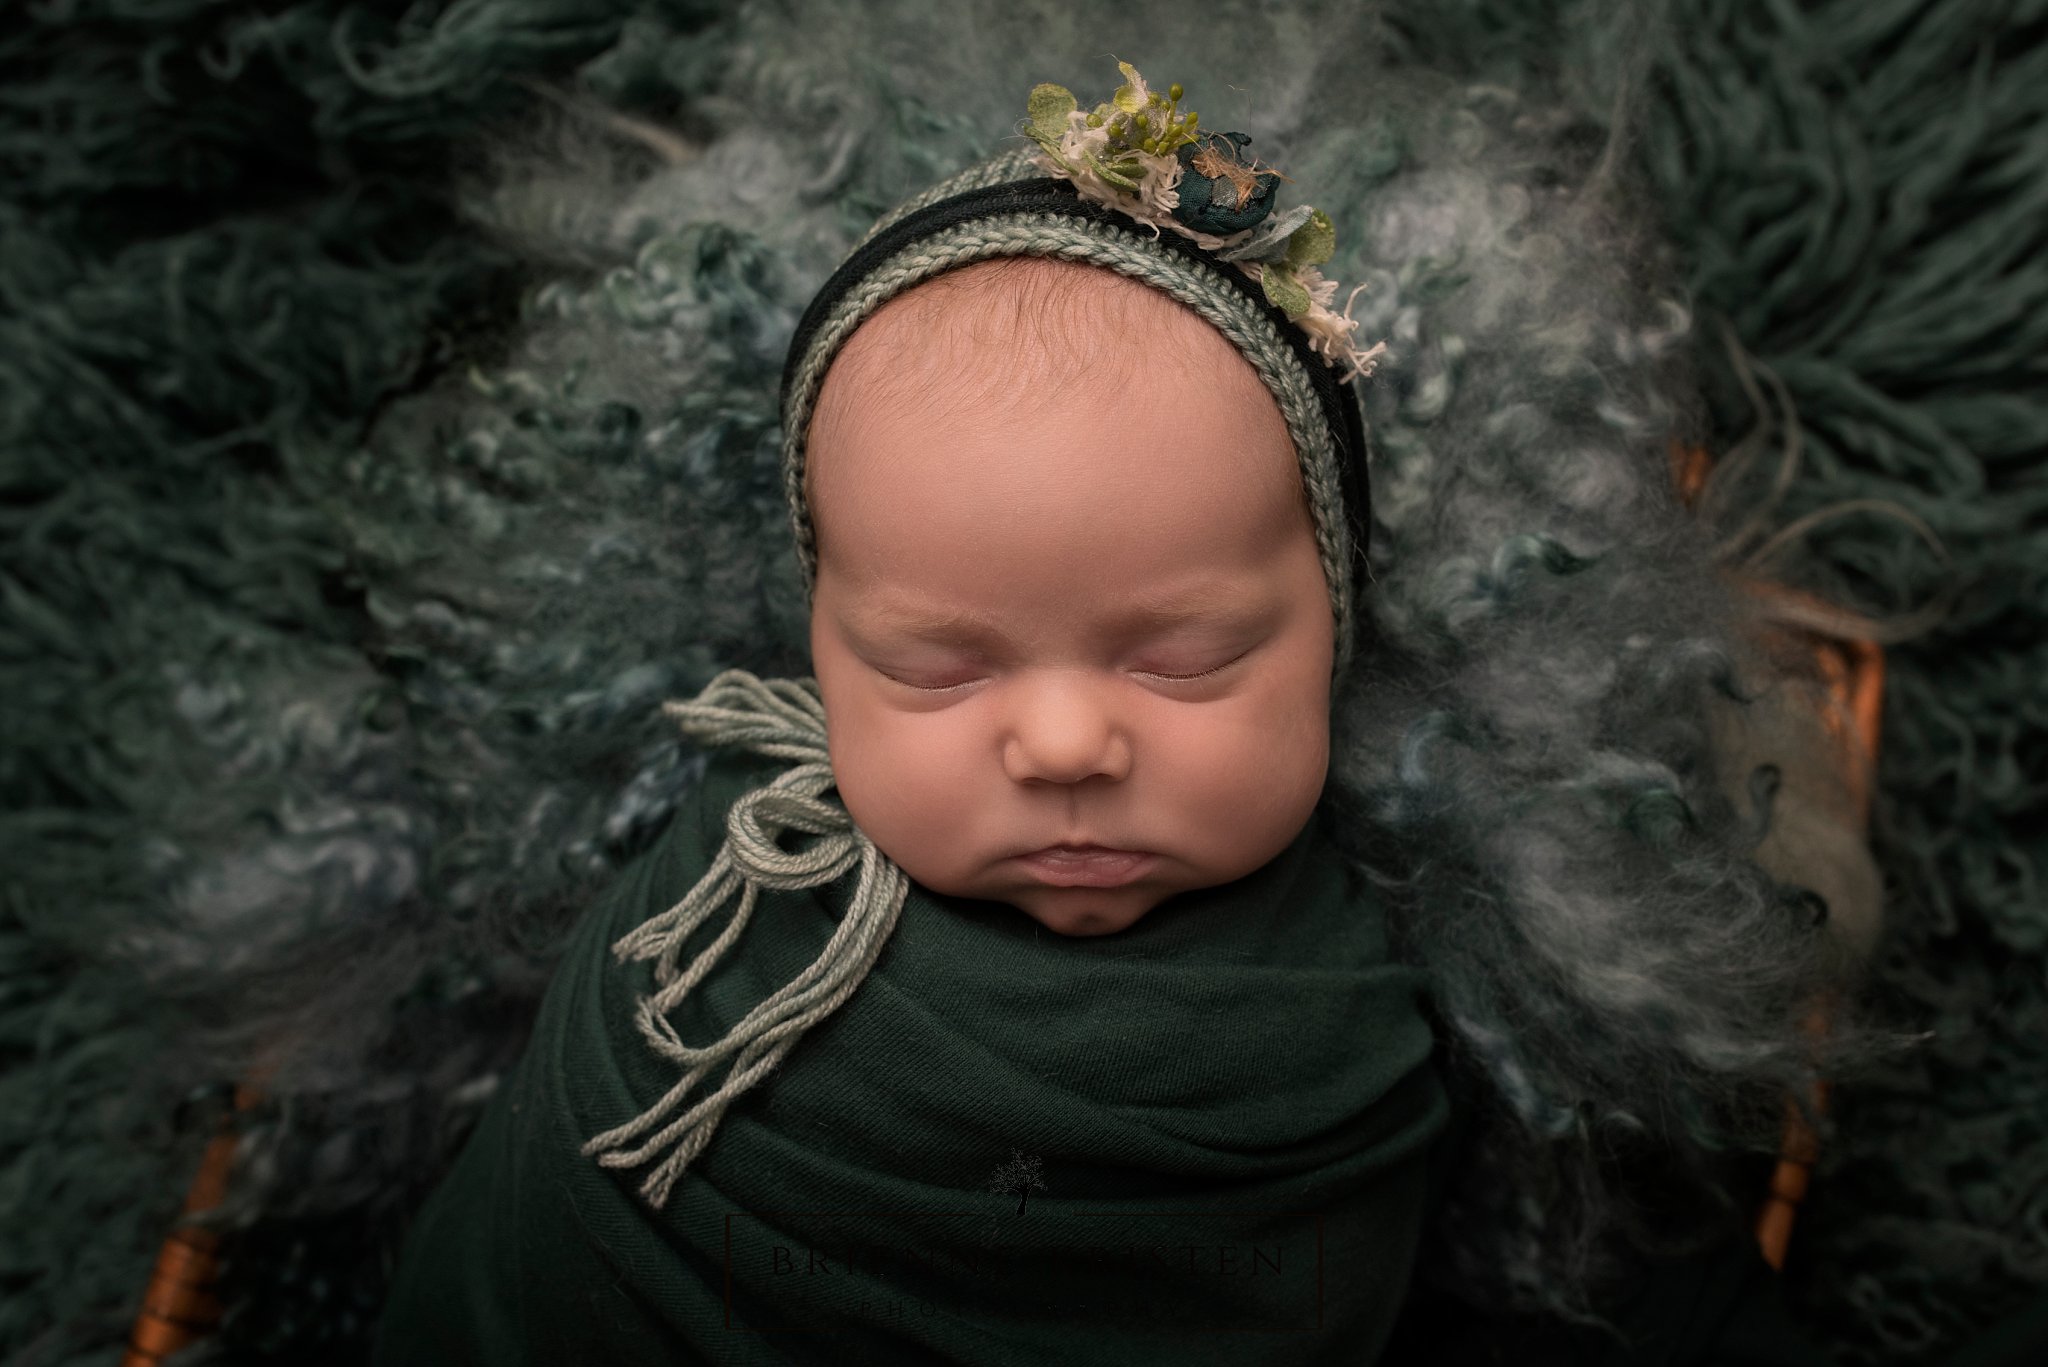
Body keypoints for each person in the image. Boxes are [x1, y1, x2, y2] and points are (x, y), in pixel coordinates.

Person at [371, 65, 1853, 1365]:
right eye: (939, 670)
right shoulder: (710, 957)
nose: (1068, 747)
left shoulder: (1368, 1004)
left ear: (1336, 638)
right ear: (815, 652)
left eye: (1187, 658)